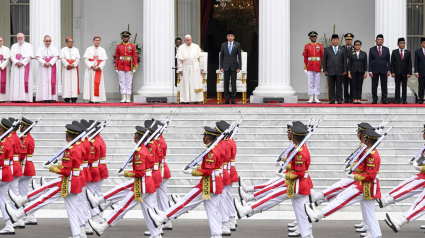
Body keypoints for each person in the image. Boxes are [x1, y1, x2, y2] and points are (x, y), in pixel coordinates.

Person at [234, 126, 313, 238]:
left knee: (271, 197)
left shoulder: (301, 152)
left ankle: (246, 210)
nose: (290, 136)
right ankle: (307, 236)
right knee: (302, 215)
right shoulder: (299, 148)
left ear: (295, 136)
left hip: (297, 186)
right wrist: (284, 165)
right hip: (299, 186)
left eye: (292, 134)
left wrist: (285, 175)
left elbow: (299, 173)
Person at [6, 124, 84, 238]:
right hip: (75, 181)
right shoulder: (78, 147)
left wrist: (51, 168)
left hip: (69, 182)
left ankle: (18, 214)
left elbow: (66, 171)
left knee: (43, 199)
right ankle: (77, 234)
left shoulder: (70, 150)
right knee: (72, 209)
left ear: (67, 134)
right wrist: (57, 164)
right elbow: (72, 166)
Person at [305, 128, 382, 238]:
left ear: (368, 140)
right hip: (366, 186)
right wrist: (354, 169)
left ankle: (318, 215)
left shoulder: (372, 155)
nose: (363, 138)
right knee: (370, 213)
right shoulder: (368, 152)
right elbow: (365, 169)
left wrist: (354, 175)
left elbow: (371, 175)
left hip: (366, 187)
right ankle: (376, 235)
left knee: (342, 199)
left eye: (365, 137)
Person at [148, 127, 223, 238]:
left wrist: (192, 172)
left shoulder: (211, 151)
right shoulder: (215, 148)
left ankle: (162, 218)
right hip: (215, 182)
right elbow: (211, 166)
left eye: (204, 136)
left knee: (185, 202)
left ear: (207, 137)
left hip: (209, 184)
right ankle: (217, 235)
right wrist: (197, 167)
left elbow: (208, 171)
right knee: (212, 210)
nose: (203, 138)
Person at [88, 126, 161, 238]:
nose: (134, 136)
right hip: (147, 183)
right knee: (149, 211)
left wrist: (125, 173)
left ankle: (103, 226)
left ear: (138, 137)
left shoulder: (139, 152)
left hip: (142, 184)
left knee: (123, 206)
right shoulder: (144, 149)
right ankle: (156, 235)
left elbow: (140, 173)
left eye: (135, 135)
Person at [18, 117, 37, 226]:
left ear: (25, 127)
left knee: (17, 194)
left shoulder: (24, 139)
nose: (20, 127)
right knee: (24, 195)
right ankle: (31, 216)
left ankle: (19, 218)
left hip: (23, 167)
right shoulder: (28, 138)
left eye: (22, 125)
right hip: (27, 167)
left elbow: (22, 154)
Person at [176, 35, 204, 104]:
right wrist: (180, 69)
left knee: (195, 83)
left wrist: (201, 68)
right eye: (187, 40)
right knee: (185, 83)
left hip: (195, 67)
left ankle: (196, 99)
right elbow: (179, 60)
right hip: (185, 67)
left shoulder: (196, 46)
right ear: (185, 40)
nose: (189, 41)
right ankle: (185, 100)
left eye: (190, 40)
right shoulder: (181, 47)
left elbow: (200, 58)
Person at [7, 118, 24, 229]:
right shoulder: (17, 138)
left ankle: (16, 218)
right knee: (14, 193)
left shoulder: (10, 138)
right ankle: (19, 218)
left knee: (10, 194)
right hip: (17, 165)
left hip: (11, 165)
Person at [322, 34, 347, 104]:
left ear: (338, 41)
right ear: (331, 41)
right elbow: (324, 60)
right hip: (330, 70)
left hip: (340, 70)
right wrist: (325, 69)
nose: (335, 41)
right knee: (331, 86)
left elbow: (344, 60)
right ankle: (332, 99)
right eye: (333, 40)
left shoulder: (342, 49)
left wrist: (345, 70)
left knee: (339, 86)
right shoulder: (327, 49)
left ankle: (339, 99)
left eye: (336, 40)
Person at [0, 119, 15, 234]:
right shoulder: (8, 140)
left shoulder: (2, 142)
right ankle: (9, 223)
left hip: (2, 172)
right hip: (7, 171)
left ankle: (9, 223)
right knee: (3, 200)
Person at [10, 33, 34, 103]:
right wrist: (17, 62)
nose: (20, 39)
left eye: (21, 37)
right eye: (18, 37)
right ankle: (16, 98)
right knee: (16, 82)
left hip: (25, 66)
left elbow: (30, 56)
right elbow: (11, 56)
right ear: (17, 38)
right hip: (16, 67)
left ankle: (24, 98)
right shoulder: (14, 46)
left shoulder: (29, 45)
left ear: (24, 37)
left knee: (25, 81)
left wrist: (22, 62)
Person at [83, 36, 108, 103]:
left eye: (99, 40)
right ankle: (91, 99)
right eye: (96, 40)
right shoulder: (88, 49)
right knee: (90, 84)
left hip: (98, 69)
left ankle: (97, 99)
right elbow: (86, 60)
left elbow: (104, 61)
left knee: (98, 84)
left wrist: (99, 67)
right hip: (90, 70)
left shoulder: (102, 50)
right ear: (93, 41)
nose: (97, 41)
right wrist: (92, 66)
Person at [115, 31, 138, 103]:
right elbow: (117, 57)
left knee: (128, 82)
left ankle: (128, 97)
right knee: (121, 82)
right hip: (121, 65)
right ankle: (123, 97)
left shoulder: (132, 46)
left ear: (129, 38)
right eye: (124, 37)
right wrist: (116, 67)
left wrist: (134, 67)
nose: (125, 38)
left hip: (129, 66)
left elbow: (134, 57)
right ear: (122, 37)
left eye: (126, 37)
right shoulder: (119, 46)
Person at [35, 35, 59, 103]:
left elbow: (56, 57)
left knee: (52, 82)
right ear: (44, 41)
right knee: (43, 82)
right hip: (43, 68)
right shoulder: (40, 48)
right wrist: (44, 63)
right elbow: (38, 57)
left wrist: (50, 63)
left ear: (51, 41)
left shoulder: (54, 48)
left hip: (51, 67)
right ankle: (44, 98)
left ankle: (51, 98)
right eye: (46, 41)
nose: (48, 42)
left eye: (49, 41)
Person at [220, 31, 241, 104]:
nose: (230, 37)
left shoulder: (237, 45)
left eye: (231, 36)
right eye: (229, 36)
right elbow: (221, 57)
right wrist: (221, 66)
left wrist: (239, 67)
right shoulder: (223, 45)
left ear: (234, 37)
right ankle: (226, 99)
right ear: (227, 37)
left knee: (233, 83)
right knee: (226, 84)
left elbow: (239, 57)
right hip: (225, 67)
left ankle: (233, 99)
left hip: (234, 66)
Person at [369, 34, 391, 104]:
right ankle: (374, 99)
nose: (379, 41)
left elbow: (388, 60)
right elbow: (369, 60)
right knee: (374, 85)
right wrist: (370, 71)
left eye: (381, 40)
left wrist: (389, 70)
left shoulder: (386, 49)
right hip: (374, 69)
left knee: (384, 85)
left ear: (383, 41)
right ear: (376, 41)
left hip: (384, 69)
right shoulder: (372, 49)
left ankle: (384, 99)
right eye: (378, 39)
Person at [303, 31, 324, 103]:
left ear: (316, 37)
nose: (313, 38)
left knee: (317, 82)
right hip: (310, 66)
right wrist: (305, 68)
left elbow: (322, 57)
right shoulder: (307, 46)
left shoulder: (320, 45)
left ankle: (317, 97)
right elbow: (305, 57)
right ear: (310, 38)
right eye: (312, 37)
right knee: (310, 82)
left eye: (314, 37)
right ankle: (311, 97)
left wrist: (322, 67)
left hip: (318, 65)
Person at [391, 38, 412, 104]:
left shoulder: (408, 52)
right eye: (401, 43)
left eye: (404, 43)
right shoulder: (394, 52)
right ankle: (397, 100)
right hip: (397, 72)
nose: (403, 44)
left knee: (404, 87)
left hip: (405, 73)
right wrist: (392, 72)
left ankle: (404, 100)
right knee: (397, 87)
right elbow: (392, 63)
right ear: (398, 44)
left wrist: (409, 73)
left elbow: (410, 63)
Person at [60, 37, 81, 103]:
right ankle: (67, 98)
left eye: (72, 42)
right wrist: (67, 64)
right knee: (66, 82)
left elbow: (78, 59)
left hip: (74, 69)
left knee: (74, 82)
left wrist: (73, 65)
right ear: (66, 42)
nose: (71, 43)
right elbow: (62, 58)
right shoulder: (63, 50)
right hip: (66, 69)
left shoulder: (76, 50)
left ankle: (74, 98)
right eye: (69, 42)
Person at [342, 33, 355, 103]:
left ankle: (352, 98)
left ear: (352, 40)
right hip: (344, 69)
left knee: (353, 85)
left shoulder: (355, 48)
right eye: (347, 40)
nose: (348, 41)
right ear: (345, 40)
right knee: (345, 85)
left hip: (352, 69)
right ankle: (346, 98)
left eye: (350, 40)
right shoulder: (342, 48)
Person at [414, 37, 425, 104]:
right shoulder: (417, 51)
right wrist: (416, 71)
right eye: (424, 43)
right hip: (421, 72)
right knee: (421, 85)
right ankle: (421, 98)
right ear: (421, 43)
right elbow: (416, 62)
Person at [0, 36, 11, 102]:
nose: (0, 42)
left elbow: (7, 59)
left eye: (1, 41)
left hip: (3, 68)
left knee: (4, 82)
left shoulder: (6, 49)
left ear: (3, 41)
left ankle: (3, 98)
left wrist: (1, 66)